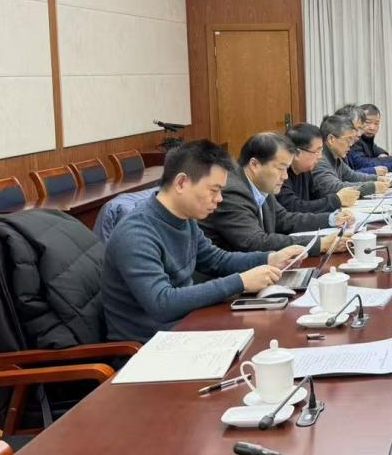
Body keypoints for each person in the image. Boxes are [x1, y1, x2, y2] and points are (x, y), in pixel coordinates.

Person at [102, 140, 305, 343]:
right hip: (150, 345)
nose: (219, 199)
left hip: (189, 326)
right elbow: (162, 303)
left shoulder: (184, 218)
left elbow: (216, 260)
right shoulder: (136, 233)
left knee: (275, 329)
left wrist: (269, 258)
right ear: (181, 183)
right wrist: (241, 282)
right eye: (214, 190)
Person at [200, 133, 354, 255]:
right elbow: (255, 242)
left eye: (286, 169)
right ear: (255, 165)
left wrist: (331, 219)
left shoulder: (260, 185)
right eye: (280, 169)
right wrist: (319, 243)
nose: (285, 176)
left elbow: (284, 219)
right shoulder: (233, 191)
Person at [279, 123, 360, 214]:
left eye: (321, 151)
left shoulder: (305, 170)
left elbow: (318, 196)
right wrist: (336, 200)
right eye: (317, 151)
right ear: (297, 153)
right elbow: (294, 207)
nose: (320, 157)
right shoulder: (281, 175)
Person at [312, 113, 389, 199]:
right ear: (331, 139)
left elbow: (352, 176)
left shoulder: (336, 157)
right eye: (348, 139)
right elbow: (334, 188)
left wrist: (376, 179)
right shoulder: (319, 160)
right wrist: (372, 187)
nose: (351, 144)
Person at [348, 103, 392, 173]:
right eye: (367, 122)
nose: (372, 127)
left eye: (376, 123)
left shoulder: (366, 139)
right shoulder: (353, 139)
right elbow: (361, 164)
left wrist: (382, 153)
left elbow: (375, 149)